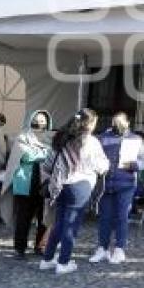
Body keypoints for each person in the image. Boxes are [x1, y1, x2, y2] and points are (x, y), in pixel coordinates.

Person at [39, 109, 109, 275]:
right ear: (90, 124)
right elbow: (102, 166)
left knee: (59, 224)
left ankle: (47, 259)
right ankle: (63, 262)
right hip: (81, 186)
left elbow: (48, 163)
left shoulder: (61, 139)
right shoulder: (91, 142)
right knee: (71, 227)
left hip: (60, 185)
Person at [90, 112, 144, 265]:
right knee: (104, 218)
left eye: (121, 122)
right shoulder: (103, 137)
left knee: (122, 217)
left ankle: (119, 249)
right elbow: (94, 156)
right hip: (106, 183)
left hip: (126, 184)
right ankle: (102, 248)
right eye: (115, 122)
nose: (117, 125)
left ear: (128, 123)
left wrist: (135, 165)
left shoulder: (135, 139)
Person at [0, 109, 54, 260]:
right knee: (23, 218)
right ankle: (20, 248)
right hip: (25, 183)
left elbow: (53, 155)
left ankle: (41, 246)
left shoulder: (52, 138)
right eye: (37, 119)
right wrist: (44, 153)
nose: (40, 122)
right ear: (31, 119)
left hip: (45, 183)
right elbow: (25, 156)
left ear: (48, 122)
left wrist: (41, 153)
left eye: (43, 120)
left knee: (45, 216)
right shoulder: (23, 137)